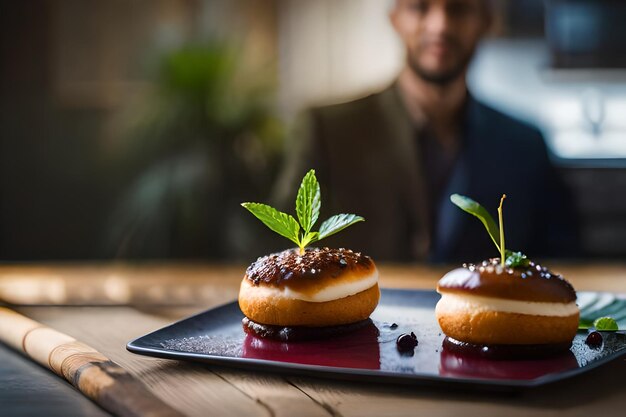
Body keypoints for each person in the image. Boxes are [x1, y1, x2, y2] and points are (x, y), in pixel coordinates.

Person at [271, 0, 579, 263]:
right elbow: (282, 250)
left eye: (457, 9)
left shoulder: (525, 145)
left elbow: (566, 263)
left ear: (486, 21)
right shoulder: (326, 131)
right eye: (420, 7)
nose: (439, 25)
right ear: (395, 19)